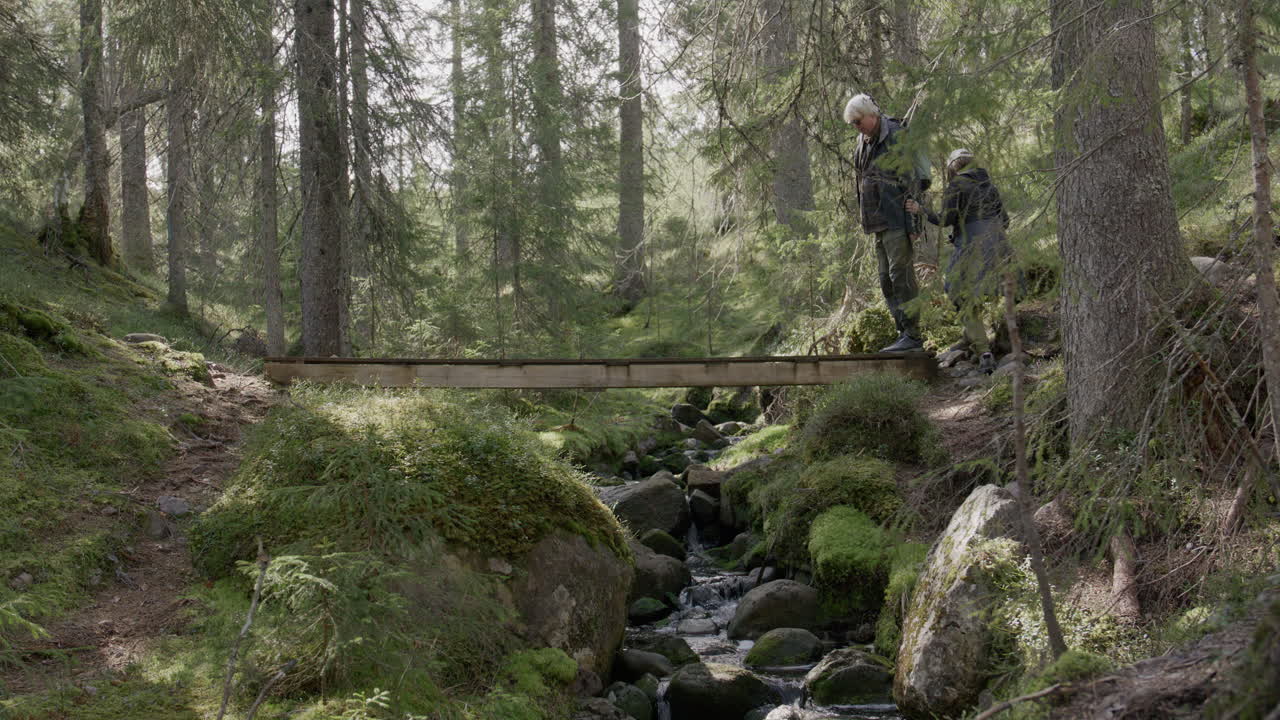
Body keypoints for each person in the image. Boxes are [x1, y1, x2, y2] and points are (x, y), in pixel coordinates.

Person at [906, 148, 1011, 374]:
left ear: (953, 167)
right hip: (999, 248)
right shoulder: (990, 186)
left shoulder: (956, 186)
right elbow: (1005, 220)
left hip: (971, 249)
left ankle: (984, 352)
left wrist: (921, 209)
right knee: (984, 293)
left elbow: (945, 219)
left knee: (958, 292)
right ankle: (974, 338)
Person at [844, 93, 931, 353]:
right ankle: (903, 333)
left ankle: (913, 336)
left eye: (858, 121)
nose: (856, 127)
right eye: (853, 124)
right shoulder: (863, 140)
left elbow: (915, 180)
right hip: (877, 221)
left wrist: (913, 223)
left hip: (897, 219)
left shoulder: (895, 134)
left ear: (872, 115)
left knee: (900, 276)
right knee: (885, 279)